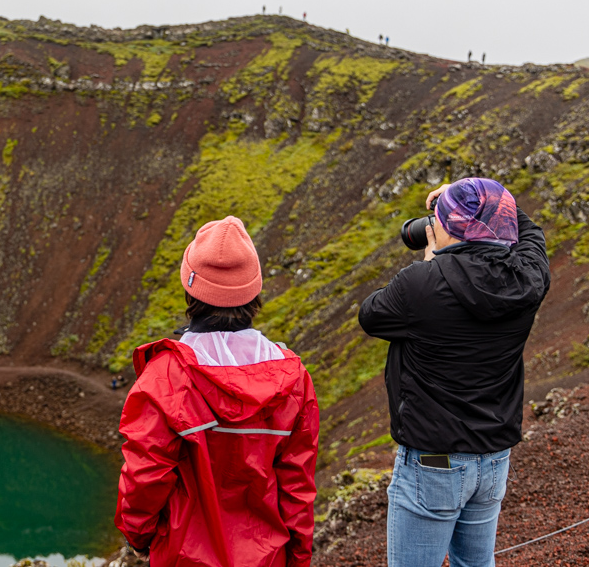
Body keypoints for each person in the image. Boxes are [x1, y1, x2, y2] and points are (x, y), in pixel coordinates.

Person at [359, 178, 550, 567]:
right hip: (494, 457)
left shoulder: (420, 283)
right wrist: (484, 203)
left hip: (434, 461)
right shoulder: (529, 278)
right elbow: (530, 234)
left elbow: (370, 315)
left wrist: (433, 262)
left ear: (450, 229)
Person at [115, 216, 319, 567]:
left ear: (190, 288)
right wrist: (298, 556)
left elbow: (144, 477)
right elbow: (297, 487)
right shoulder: (293, 379)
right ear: (253, 291)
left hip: (182, 556)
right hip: (267, 558)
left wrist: (139, 535)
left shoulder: (165, 376)